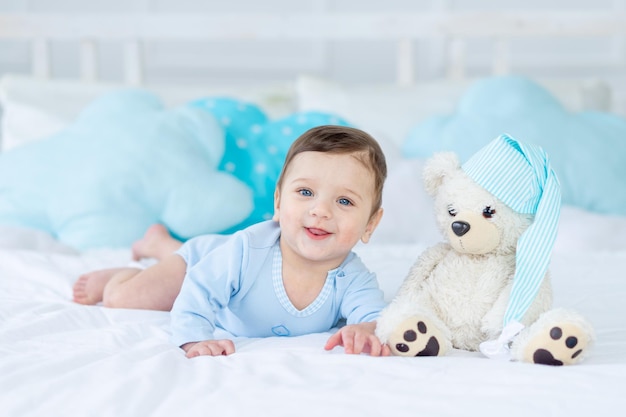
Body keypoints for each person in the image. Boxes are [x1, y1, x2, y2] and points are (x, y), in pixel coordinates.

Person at [72, 125, 389, 358]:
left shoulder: (353, 278)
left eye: (344, 201)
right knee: (129, 298)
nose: (320, 211)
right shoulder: (247, 250)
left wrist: (367, 329)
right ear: (278, 202)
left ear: (370, 224)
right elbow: (200, 289)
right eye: (305, 193)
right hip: (198, 264)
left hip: (216, 259)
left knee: (196, 259)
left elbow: (377, 317)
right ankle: (122, 274)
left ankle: (161, 243)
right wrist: (195, 339)